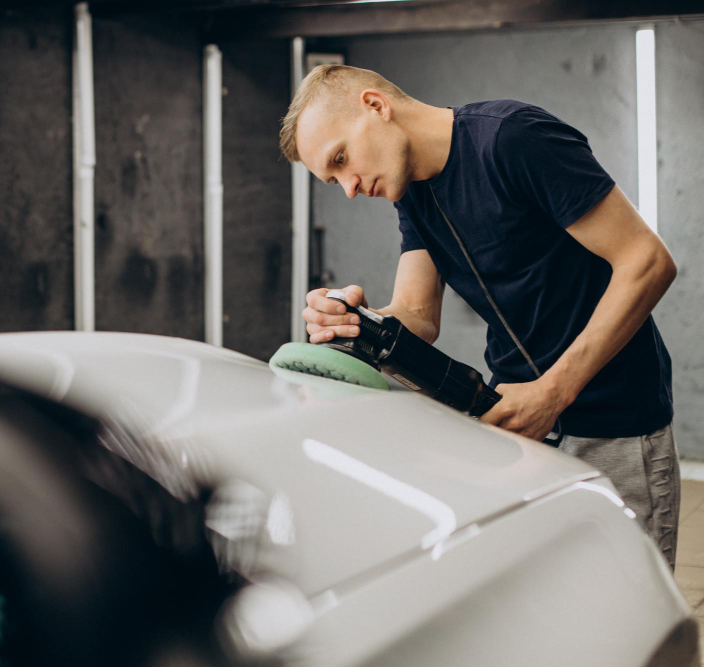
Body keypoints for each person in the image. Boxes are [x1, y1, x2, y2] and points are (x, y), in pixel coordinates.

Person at [280, 64, 680, 567]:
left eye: (341, 159)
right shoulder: (413, 193)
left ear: (376, 106)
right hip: (517, 425)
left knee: (630, 614)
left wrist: (554, 392)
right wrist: (361, 323)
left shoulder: (513, 138)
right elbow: (417, 314)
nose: (349, 188)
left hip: (614, 421)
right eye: (332, 177)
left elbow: (647, 261)